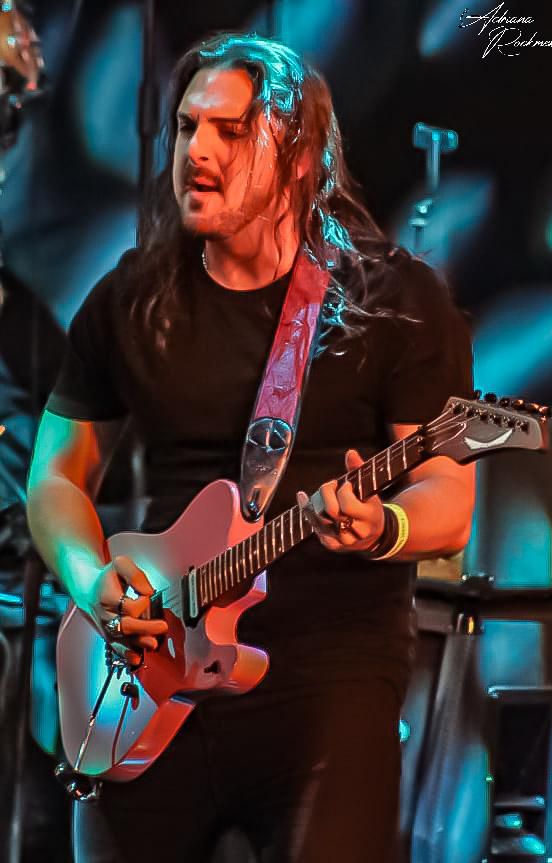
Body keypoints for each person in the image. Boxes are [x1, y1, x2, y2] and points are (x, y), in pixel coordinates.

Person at [26, 32, 475, 863]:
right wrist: (91, 581)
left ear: (299, 159)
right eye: (187, 127)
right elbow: (55, 475)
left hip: (326, 681)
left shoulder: (392, 302)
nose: (197, 151)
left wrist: (385, 526)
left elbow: (448, 502)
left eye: (230, 132)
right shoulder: (133, 298)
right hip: (149, 671)